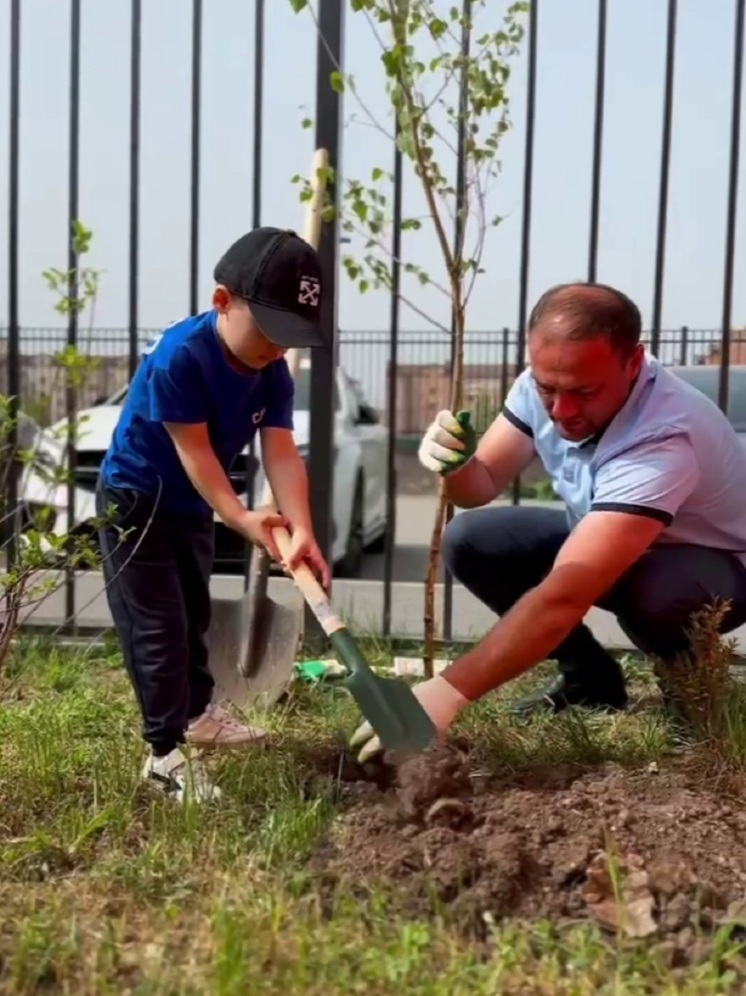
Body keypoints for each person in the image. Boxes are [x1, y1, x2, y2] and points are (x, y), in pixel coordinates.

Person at [351, 281, 746, 763]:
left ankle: (693, 690)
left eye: (584, 392)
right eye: (548, 388)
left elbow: (566, 594)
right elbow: (481, 484)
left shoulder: (663, 437)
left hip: (714, 569)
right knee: (471, 541)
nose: (561, 411)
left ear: (634, 363)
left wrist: (446, 692)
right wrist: (454, 466)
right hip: (616, 541)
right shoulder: (543, 385)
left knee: (650, 590)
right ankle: (589, 679)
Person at [96, 226, 331, 803]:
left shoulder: (270, 370)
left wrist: (300, 527)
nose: (277, 348)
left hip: (188, 508)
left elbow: (279, 449)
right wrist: (240, 517)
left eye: (290, 336)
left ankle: (198, 715)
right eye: (270, 331)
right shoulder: (181, 356)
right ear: (222, 301)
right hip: (137, 502)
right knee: (157, 629)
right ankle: (162, 756)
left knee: (194, 614)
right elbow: (196, 453)